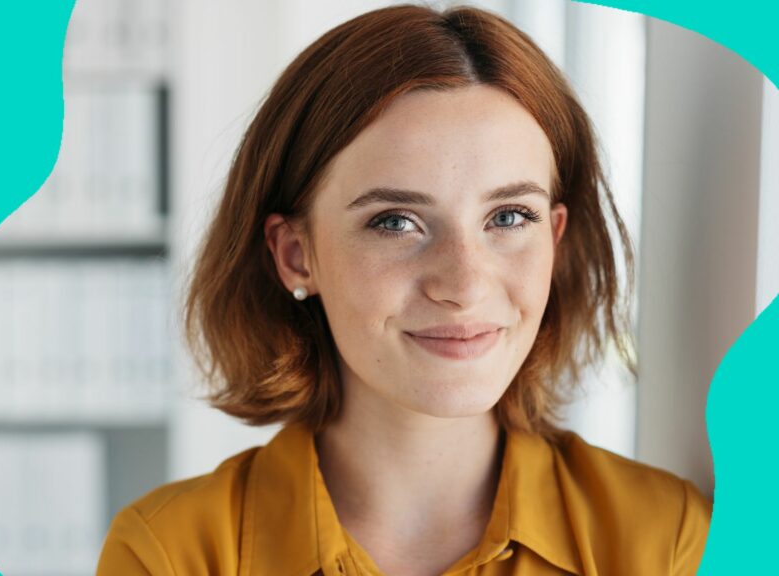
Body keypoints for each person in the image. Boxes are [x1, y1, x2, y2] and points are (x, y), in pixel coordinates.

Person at [96, 3, 712, 575]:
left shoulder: (668, 540)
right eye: (395, 222)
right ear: (295, 255)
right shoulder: (170, 554)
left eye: (508, 217)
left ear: (554, 238)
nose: (464, 285)